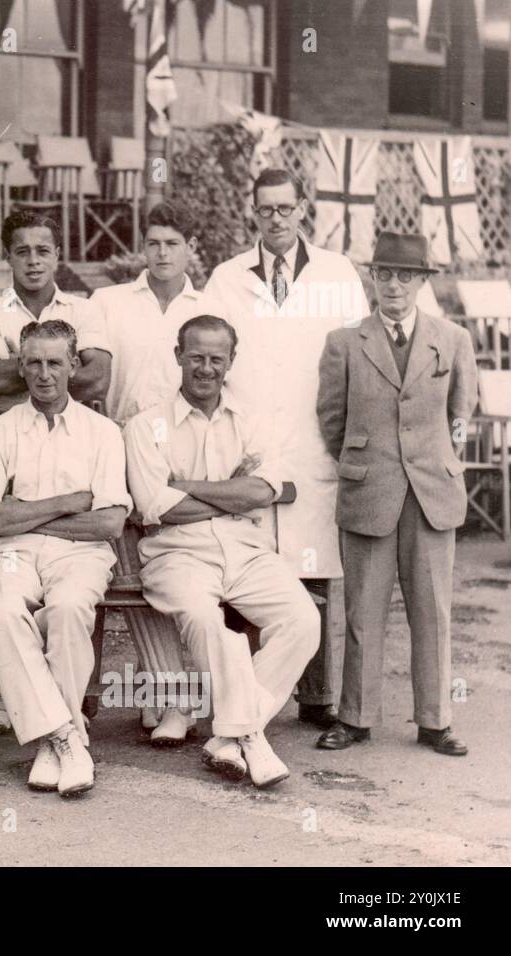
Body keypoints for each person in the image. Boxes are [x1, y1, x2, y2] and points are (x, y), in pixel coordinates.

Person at [205, 168, 371, 731]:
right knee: (246, 567)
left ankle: (316, 696)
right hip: (249, 444)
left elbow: (357, 359)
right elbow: (208, 355)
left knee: (312, 567)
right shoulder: (227, 278)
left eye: (284, 209)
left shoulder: (337, 274)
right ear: (252, 213)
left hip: (312, 442)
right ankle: (243, 692)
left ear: (303, 210)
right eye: (264, 210)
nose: (275, 220)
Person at [124, 316, 321, 788]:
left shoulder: (250, 422)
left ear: (231, 361)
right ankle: (246, 735)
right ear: (178, 356)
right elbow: (155, 507)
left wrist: (188, 487)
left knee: (303, 621)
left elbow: (264, 491)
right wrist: (232, 492)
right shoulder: (146, 425)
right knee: (205, 618)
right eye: (196, 357)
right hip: (177, 555)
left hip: (247, 550)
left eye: (216, 358)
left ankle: (232, 735)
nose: (206, 368)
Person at [314, 233, 478, 757]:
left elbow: (461, 413)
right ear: (372, 279)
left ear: (422, 281)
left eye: (405, 276)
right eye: (383, 274)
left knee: (432, 611)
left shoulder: (452, 339)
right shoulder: (344, 342)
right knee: (362, 610)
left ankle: (435, 721)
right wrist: (363, 462)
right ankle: (355, 718)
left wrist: (441, 461)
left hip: (432, 493)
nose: (393, 285)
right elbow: (331, 419)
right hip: (370, 492)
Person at [0, 320, 130, 797]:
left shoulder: (102, 432)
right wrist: (65, 502)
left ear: (74, 366)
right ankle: (66, 735)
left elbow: (108, 525)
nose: (43, 374)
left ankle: (48, 741)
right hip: (13, 553)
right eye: (34, 363)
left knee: (66, 608)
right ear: (21, 366)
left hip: (81, 553)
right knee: (2, 610)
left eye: (54, 363)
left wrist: (23, 513)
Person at [89, 201, 224, 745]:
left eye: (173, 242)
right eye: (153, 242)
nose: (162, 252)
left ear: (191, 247)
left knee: (182, 574)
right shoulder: (111, 301)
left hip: (190, 451)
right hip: (125, 449)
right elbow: (96, 379)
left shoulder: (211, 305)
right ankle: (167, 697)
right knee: (135, 578)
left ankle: (170, 697)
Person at [0, 210, 109, 416]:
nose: (33, 260)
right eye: (22, 251)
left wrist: (19, 362)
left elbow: (98, 381)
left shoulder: (83, 309)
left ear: (56, 256)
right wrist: (63, 363)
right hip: (11, 434)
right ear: (9, 257)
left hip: (74, 434)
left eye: (42, 251)